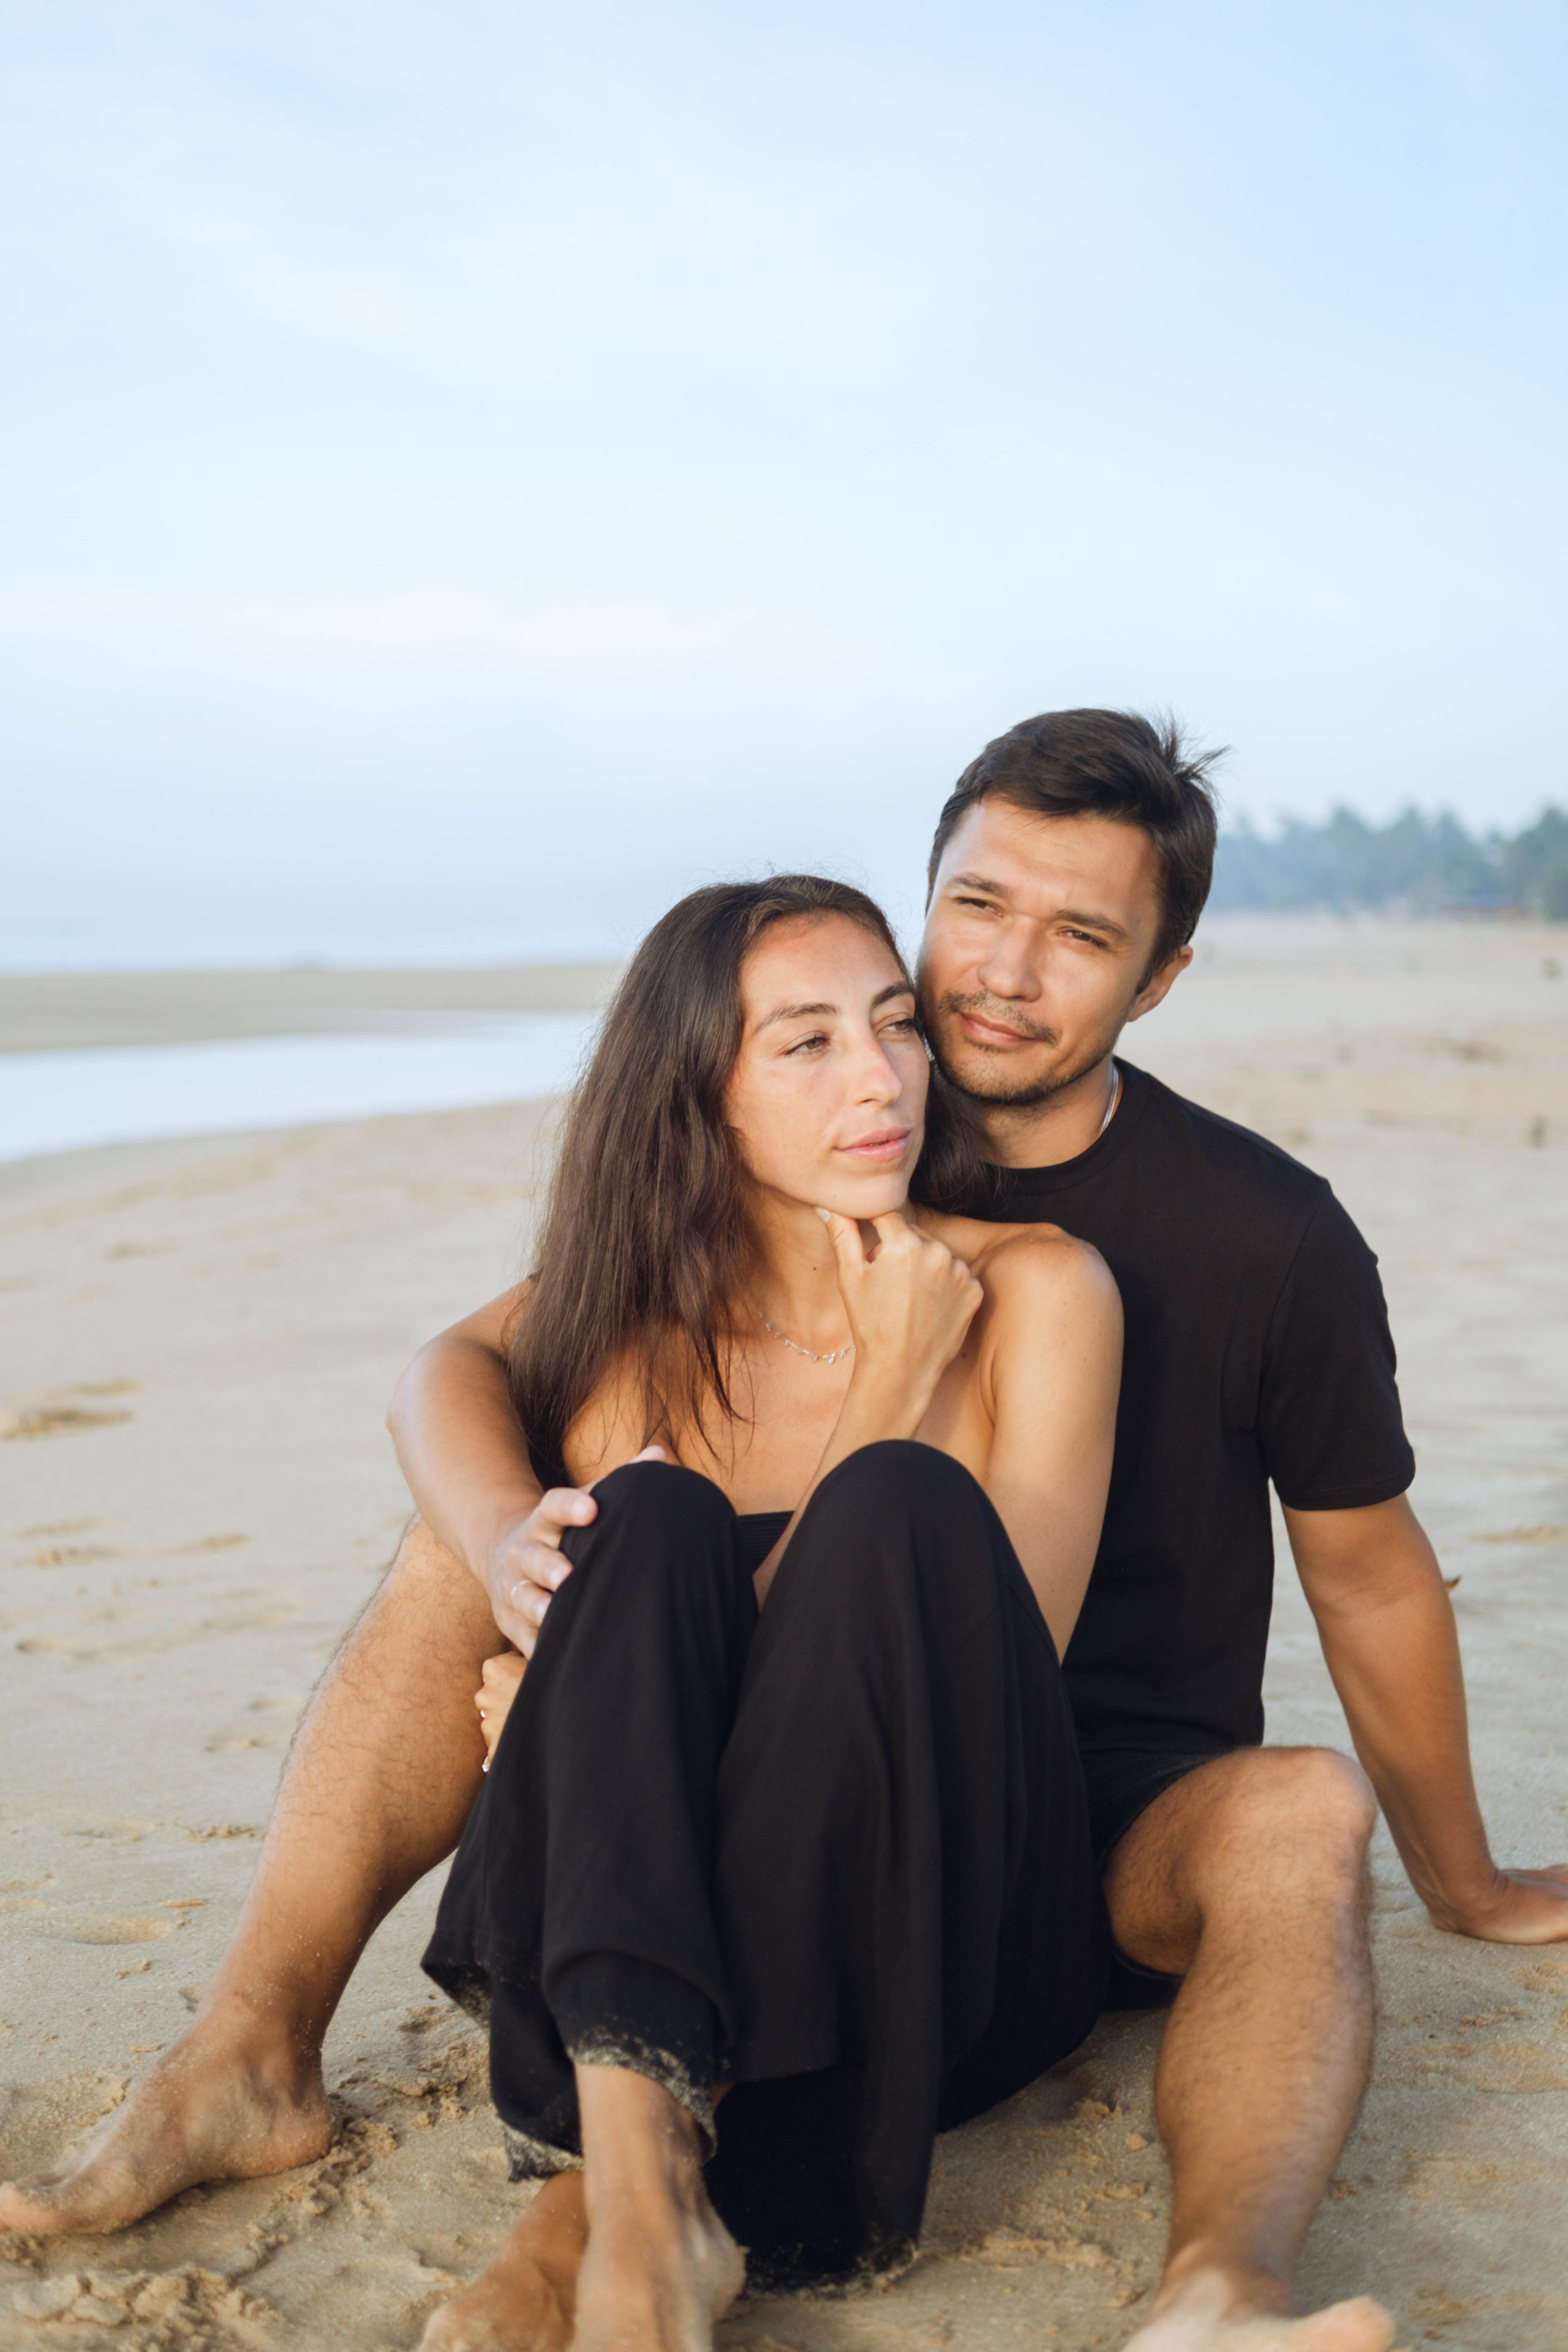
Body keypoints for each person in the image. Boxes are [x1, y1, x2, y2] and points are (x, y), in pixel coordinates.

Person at [6, 710, 1566, 2352]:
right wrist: (530, 1577)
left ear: (1159, 978)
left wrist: (1460, 1878)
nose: (996, 980)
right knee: (516, 1540)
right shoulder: (712, 1245)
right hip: (748, 1773)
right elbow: (455, 1369)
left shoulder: (1232, 1241)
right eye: (977, 909)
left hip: (1066, 1804)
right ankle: (255, 2048)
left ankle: (1209, 2292)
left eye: (1082, 936)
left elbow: (1358, 1568)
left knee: (1284, 1798)